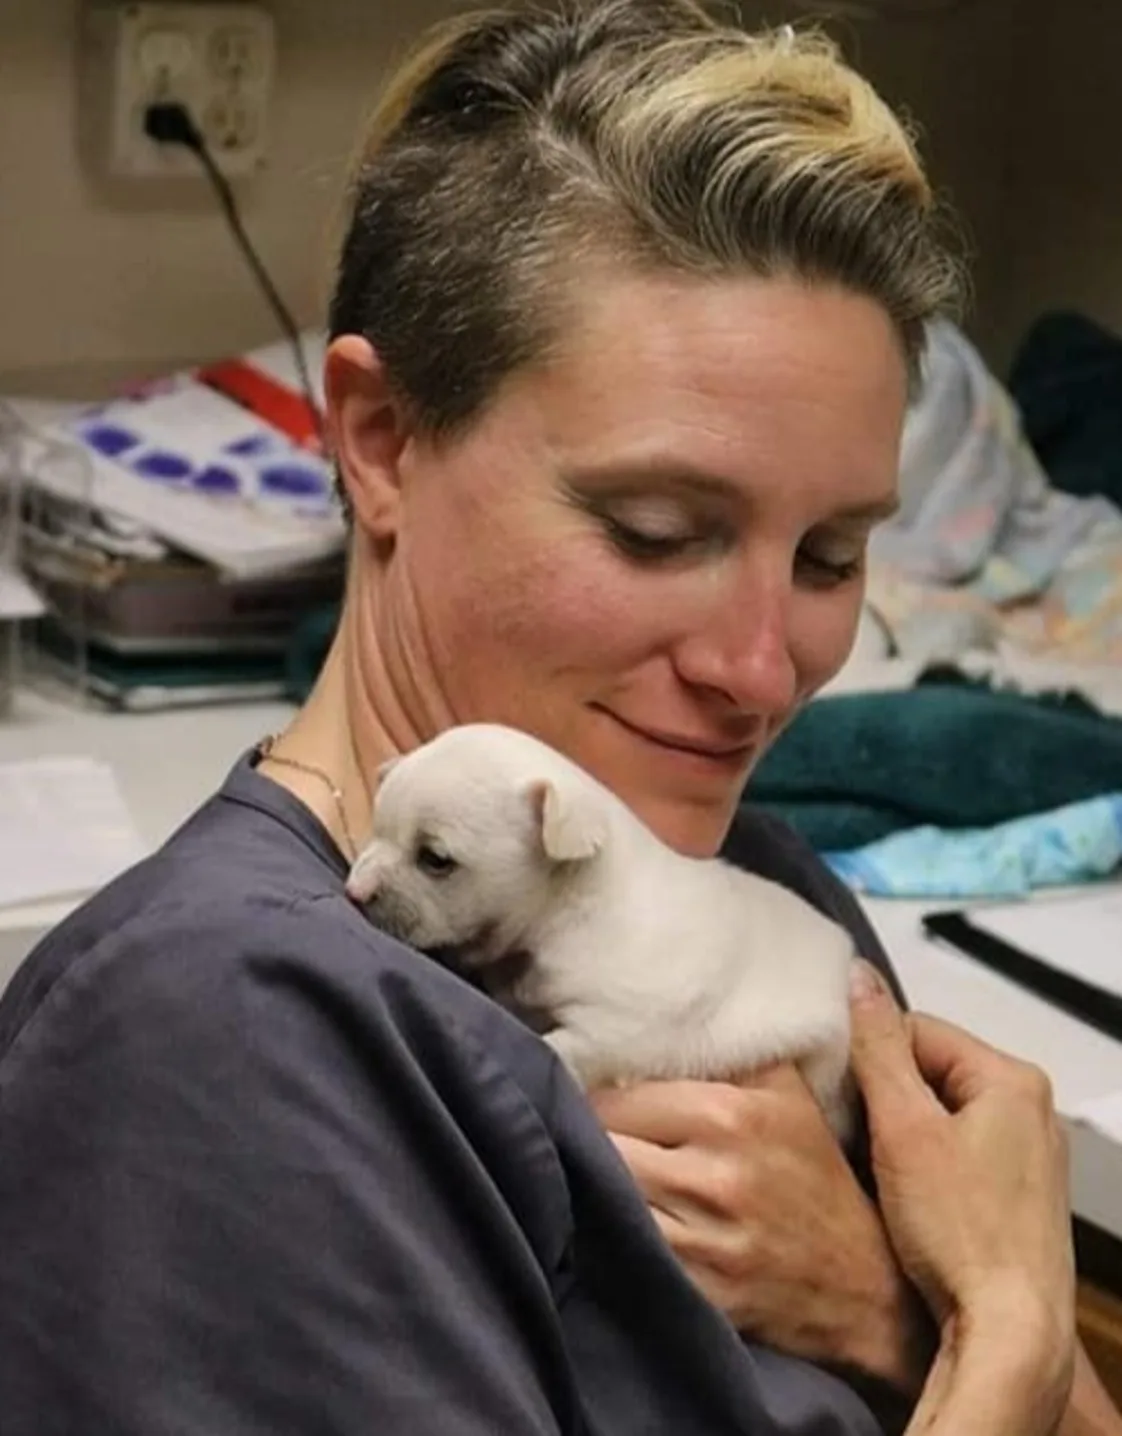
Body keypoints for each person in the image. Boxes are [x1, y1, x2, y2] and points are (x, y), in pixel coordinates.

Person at [0, 1, 1118, 1431]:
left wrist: (879, 1315)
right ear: (381, 444)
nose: (762, 672)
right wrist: (1003, 1330)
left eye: (832, 557)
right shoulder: (228, 1043)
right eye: (656, 531)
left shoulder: (742, 884)